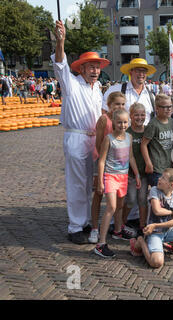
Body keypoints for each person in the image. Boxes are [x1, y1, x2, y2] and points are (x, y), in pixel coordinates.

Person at [52, 20, 109, 244]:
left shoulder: (97, 89)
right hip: (76, 137)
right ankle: (75, 226)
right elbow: (59, 64)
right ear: (82, 68)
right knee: (76, 183)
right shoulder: (71, 83)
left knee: (88, 183)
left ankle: (85, 220)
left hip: (94, 140)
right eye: (91, 67)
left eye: (97, 67)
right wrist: (61, 41)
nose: (95, 71)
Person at [129, 168, 173, 268]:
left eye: (163, 178)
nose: (159, 179)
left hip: (169, 230)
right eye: (161, 177)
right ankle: (141, 241)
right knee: (157, 263)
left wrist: (156, 224)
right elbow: (157, 211)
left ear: (171, 185)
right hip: (154, 232)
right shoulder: (154, 190)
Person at [95, 109, 141, 258]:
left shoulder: (129, 137)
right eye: (119, 122)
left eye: (125, 122)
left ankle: (117, 231)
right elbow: (101, 161)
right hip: (110, 177)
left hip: (123, 177)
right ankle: (101, 244)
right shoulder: (108, 139)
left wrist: (137, 174)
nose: (122, 125)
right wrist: (101, 181)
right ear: (113, 122)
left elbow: (131, 157)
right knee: (111, 207)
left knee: (120, 206)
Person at [89, 92, 126, 244]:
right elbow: (98, 143)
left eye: (123, 104)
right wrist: (102, 165)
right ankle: (95, 228)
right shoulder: (104, 119)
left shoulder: (123, 119)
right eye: (117, 104)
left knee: (116, 198)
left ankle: (116, 226)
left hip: (117, 165)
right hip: (103, 161)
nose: (120, 107)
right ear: (109, 105)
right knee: (98, 194)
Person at [122, 102, 148, 239]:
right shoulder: (128, 133)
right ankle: (122, 223)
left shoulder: (147, 131)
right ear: (131, 116)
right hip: (131, 173)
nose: (139, 117)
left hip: (144, 173)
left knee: (143, 199)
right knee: (131, 199)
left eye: (142, 115)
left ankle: (142, 225)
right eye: (136, 115)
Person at [102, 58, 156, 125]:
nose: (141, 74)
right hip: (123, 134)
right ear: (130, 72)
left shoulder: (151, 96)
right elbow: (104, 112)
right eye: (137, 71)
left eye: (144, 71)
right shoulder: (115, 90)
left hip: (146, 134)